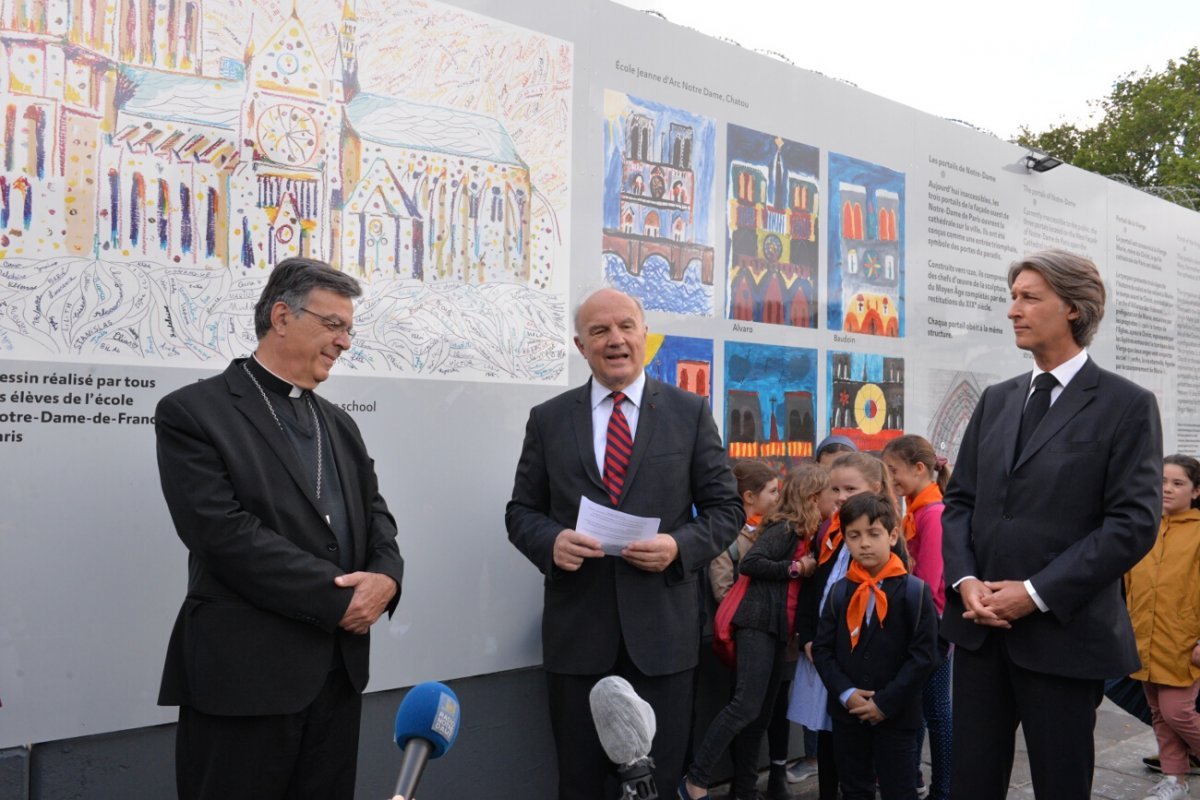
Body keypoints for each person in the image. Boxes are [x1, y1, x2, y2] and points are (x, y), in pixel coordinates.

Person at [154, 257, 405, 800]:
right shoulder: (194, 412)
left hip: (336, 679)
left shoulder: (339, 422)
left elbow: (376, 515)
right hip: (244, 680)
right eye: (333, 325)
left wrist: (386, 581)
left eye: (349, 329)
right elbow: (222, 534)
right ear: (282, 316)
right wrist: (339, 598)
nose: (344, 342)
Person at [941, 248, 1163, 799]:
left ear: (1073, 308)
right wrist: (965, 582)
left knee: (1061, 786)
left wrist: (1035, 593)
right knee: (971, 783)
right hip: (979, 634)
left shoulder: (1126, 405)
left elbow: (1133, 523)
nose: (1014, 309)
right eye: (1013, 296)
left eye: (1029, 297)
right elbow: (960, 503)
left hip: (1063, 638)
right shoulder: (996, 400)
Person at [505, 288, 743, 800]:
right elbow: (521, 512)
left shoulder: (689, 413)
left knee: (655, 785)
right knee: (581, 784)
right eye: (599, 331)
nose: (615, 340)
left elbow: (728, 510)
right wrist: (551, 542)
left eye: (625, 327)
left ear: (644, 336)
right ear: (579, 345)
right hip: (578, 637)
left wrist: (679, 547)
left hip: (663, 638)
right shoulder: (548, 419)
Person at [683, 464, 824, 800]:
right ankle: (695, 781)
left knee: (759, 714)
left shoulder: (802, 531)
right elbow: (751, 563)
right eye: (831, 493)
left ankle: (744, 789)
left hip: (776, 629)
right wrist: (796, 568)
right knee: (745, 706)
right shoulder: (786, 528)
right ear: (813, 497)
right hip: (757, 624)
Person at [812, 492, 938, 800]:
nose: (864, 543)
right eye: (854, 536)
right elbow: (823, 650)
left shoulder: (915, 592)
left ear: (893, 535)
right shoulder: (840, 591)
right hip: (848, 715)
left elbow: (924, 656)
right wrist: (846, 693)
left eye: (873, 534)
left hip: (896, 715)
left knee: (899, 789)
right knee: (854, 788)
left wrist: (885, 703)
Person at [791, 451, 892, 800]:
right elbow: (815, 588)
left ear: (875, 489)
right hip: (824, 656)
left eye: (850, 488)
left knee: (855, 748)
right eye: (835, 489)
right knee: (826, 736)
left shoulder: (881, 545)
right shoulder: (831, 536)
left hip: (855, 664)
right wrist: (807, 636)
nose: (841, 497)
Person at [1126, 455, 1200, 800]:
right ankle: (1175, 780)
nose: (1167, 489)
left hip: (1182, 641)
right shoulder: (1146, 526)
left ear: (1196, 491)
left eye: (1178, 483)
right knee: (1159, 713)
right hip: (1144, 637)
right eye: (1162, 482)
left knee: (1178, 712)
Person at [881, 435, 951, 800]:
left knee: (937, 713)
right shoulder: (916, 510)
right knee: (922, 710)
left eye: (893, 471)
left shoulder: (933, 514)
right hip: (922, 623)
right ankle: (916, 780)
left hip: (932, 626)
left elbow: (929, 578)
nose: (890, 478)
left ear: (919, 469)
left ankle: (944, 788)